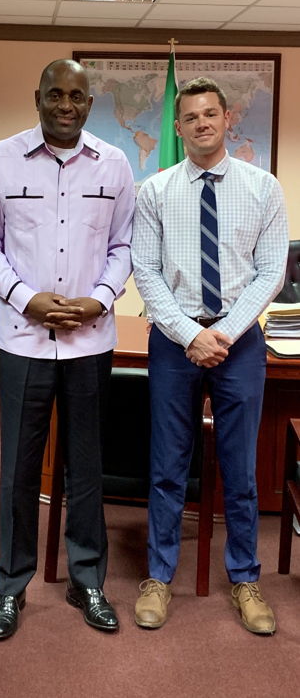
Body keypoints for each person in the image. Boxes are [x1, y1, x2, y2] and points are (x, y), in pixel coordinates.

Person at [0, 58, 135, 639]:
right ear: (38, 97)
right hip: (23, 339)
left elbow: (124, 244)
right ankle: (10, 584)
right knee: (18, 467)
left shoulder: (115, 163)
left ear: (90, 103)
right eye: (55, 95)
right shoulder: (2, 159)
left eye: (77, 96)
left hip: (90, 339)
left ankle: (87, 578)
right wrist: (23, 297)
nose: (66, 105)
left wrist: (100, 298)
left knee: (87, 464)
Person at [131, 77, 288, 635]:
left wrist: (223, 331)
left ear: (227, 120)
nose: (201, 123)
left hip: (239, 342)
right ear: (176, 128)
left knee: (239, 469)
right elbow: (145, 271)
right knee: (168, 465)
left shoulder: (263, 187)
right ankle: (159, 575)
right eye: (190, 117)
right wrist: (187, 334)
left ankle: (246, 579)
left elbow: (271, 271)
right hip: (175, 342)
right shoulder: (155, 191)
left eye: (210, 114)